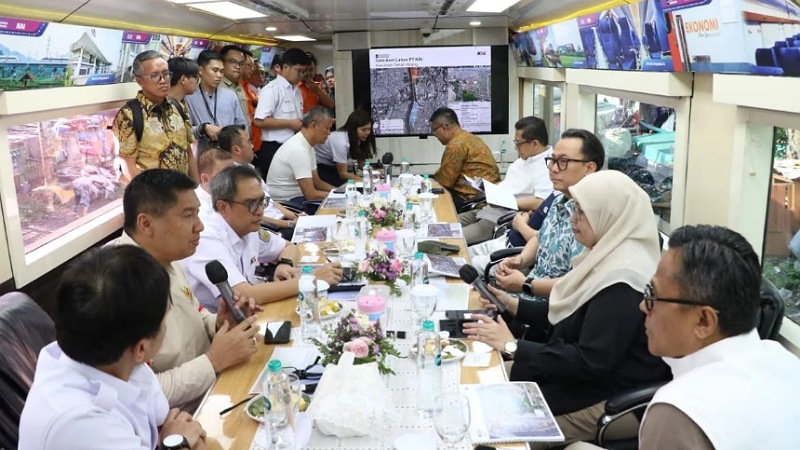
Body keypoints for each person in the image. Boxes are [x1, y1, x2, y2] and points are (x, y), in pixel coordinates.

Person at [463, 171, 671, 447]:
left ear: (610, 216)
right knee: (478, 382)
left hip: (609, 396)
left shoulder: (625, 279)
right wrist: (512, 304)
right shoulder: (602, 255)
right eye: (575, 209)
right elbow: (569, 314)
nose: (573, 218)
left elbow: (590, 361)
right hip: (578, 375)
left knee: (487, 433)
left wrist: (513, 346)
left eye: (583, 213)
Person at [566, 225, 800, 450]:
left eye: (652, 295)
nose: (642, 307)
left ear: (703, 321)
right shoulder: (785, 361)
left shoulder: (680, 412)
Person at [19, 245, 208, 450]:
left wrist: (173, 437)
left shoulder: (114, 354)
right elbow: (174, 432)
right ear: (141, 348)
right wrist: (178, 443)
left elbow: (166, 420)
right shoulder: (80, 424)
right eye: (164, 319)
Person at [118, 169, 260, 411]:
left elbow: (196, 312)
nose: (200, 226)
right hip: (180, 419)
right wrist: (214, 360)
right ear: (146, 223)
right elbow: (142, 393)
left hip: (213, 388)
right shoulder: (119, 287)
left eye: (198, 213)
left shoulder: (168, 257)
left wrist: (219, 323)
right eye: (187, 216)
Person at [182, 165, 343, 308]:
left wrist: (285, 265)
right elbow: (243, 295)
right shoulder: (208, 238)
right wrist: (311, 280)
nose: (260, 211)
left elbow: (289, 247)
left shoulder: (247, 226)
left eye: (261, 202)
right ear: (223, 207)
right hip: (216, 330)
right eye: (251, 204)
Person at [492, 129, 604, 301]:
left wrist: (525, 284)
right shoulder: (558, 199)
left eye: (563, 161)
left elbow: (577, 284)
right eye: (552, 160)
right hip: (526, 293)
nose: (553, 168)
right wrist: (521, 260)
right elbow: (540, 238)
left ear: (589, 168)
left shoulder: (594, 216)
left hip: (548, 307)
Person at [459, 116, 554, 245]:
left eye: (518, 144)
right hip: (489, 209)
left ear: (535, 144)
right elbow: (507, 185)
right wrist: (485, 186)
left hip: (503, 218)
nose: (516, 148)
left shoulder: (548, 167)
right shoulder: (520, 162)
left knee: (455, 239)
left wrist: (508, 201)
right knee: (446, 222)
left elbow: (540, 202)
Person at [113, 50, 197, 182]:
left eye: (166, 74)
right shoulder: (129, 115)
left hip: (182, 190)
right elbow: (128, 165)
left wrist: (195, 186)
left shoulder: (178, 106)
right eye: (155, 75)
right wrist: (151, 197)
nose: (163, 80)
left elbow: (188, 152)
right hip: (154, 196)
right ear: (140, 81)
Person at [217, 125, 300, 239]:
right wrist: (288, 224)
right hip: (270, 228)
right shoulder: (234, 179)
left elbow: (270, 200)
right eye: (249, 142)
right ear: (236, 149)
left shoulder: (249, 168)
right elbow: (252, 216)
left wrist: (295, 216)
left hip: (282, 221)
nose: (252, 146)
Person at [253, 48, 311, 179]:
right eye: (299, 71)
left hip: (294, 147)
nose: (301, 75)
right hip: (274, 148)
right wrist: (290, 124)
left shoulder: (297, 91)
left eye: (304, 72)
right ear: (286, 67)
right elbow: (259, 121)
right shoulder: (272, 89)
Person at [428, 107, 500, 210]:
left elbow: (445, 182)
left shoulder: (455, 145)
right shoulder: (469, 138)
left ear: (445, 127)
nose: (434, 135)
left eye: (434, 130)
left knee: (432, 200)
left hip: (473, 199)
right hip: (490, 195)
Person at [266, 106, 337, 206]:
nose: (329, 133)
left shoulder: (307, 145)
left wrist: (340, 192)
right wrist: (341, 197)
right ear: (314, 125)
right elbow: (311, 195)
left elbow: (317, 182)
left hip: (297, 197)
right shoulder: (298, 149)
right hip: (288, 202)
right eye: (327, 128)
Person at [185, 50, 248, 153]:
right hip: (201, 155)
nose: (219, 75)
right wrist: (202, 129)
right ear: (201, 70)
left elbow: (242, 125)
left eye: (222, 71)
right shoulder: (189, 97)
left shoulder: (230, 96)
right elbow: (183, 131)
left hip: (229, 155)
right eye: (215, 70)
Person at [314, 109, 376, 186]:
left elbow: (361, 164)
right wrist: (365, 180)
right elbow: (343, 173)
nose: (367, 133)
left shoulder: (359, 138)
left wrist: (375, 173)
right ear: (353, 129)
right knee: (343, 186)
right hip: (320, 166)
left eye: (369, 129)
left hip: (332, 165)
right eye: (363, 130)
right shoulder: (341, 142)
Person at [195, 147, 234, 217]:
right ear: (205, 179)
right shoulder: (197, 209)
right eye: (224, 175)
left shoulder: (236, 197)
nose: (232, 179)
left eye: (233, 173)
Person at [219, 45, 249, 122]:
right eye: (233, 62)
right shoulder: (216, 87)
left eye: (241, 63)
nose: (238, 66)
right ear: (222, 62)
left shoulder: (240, 87)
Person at [241, 51, 263, 149]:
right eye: (250, 65)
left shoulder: (249, 90)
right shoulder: (237, 89)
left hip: (256, 143)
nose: (252, 69)